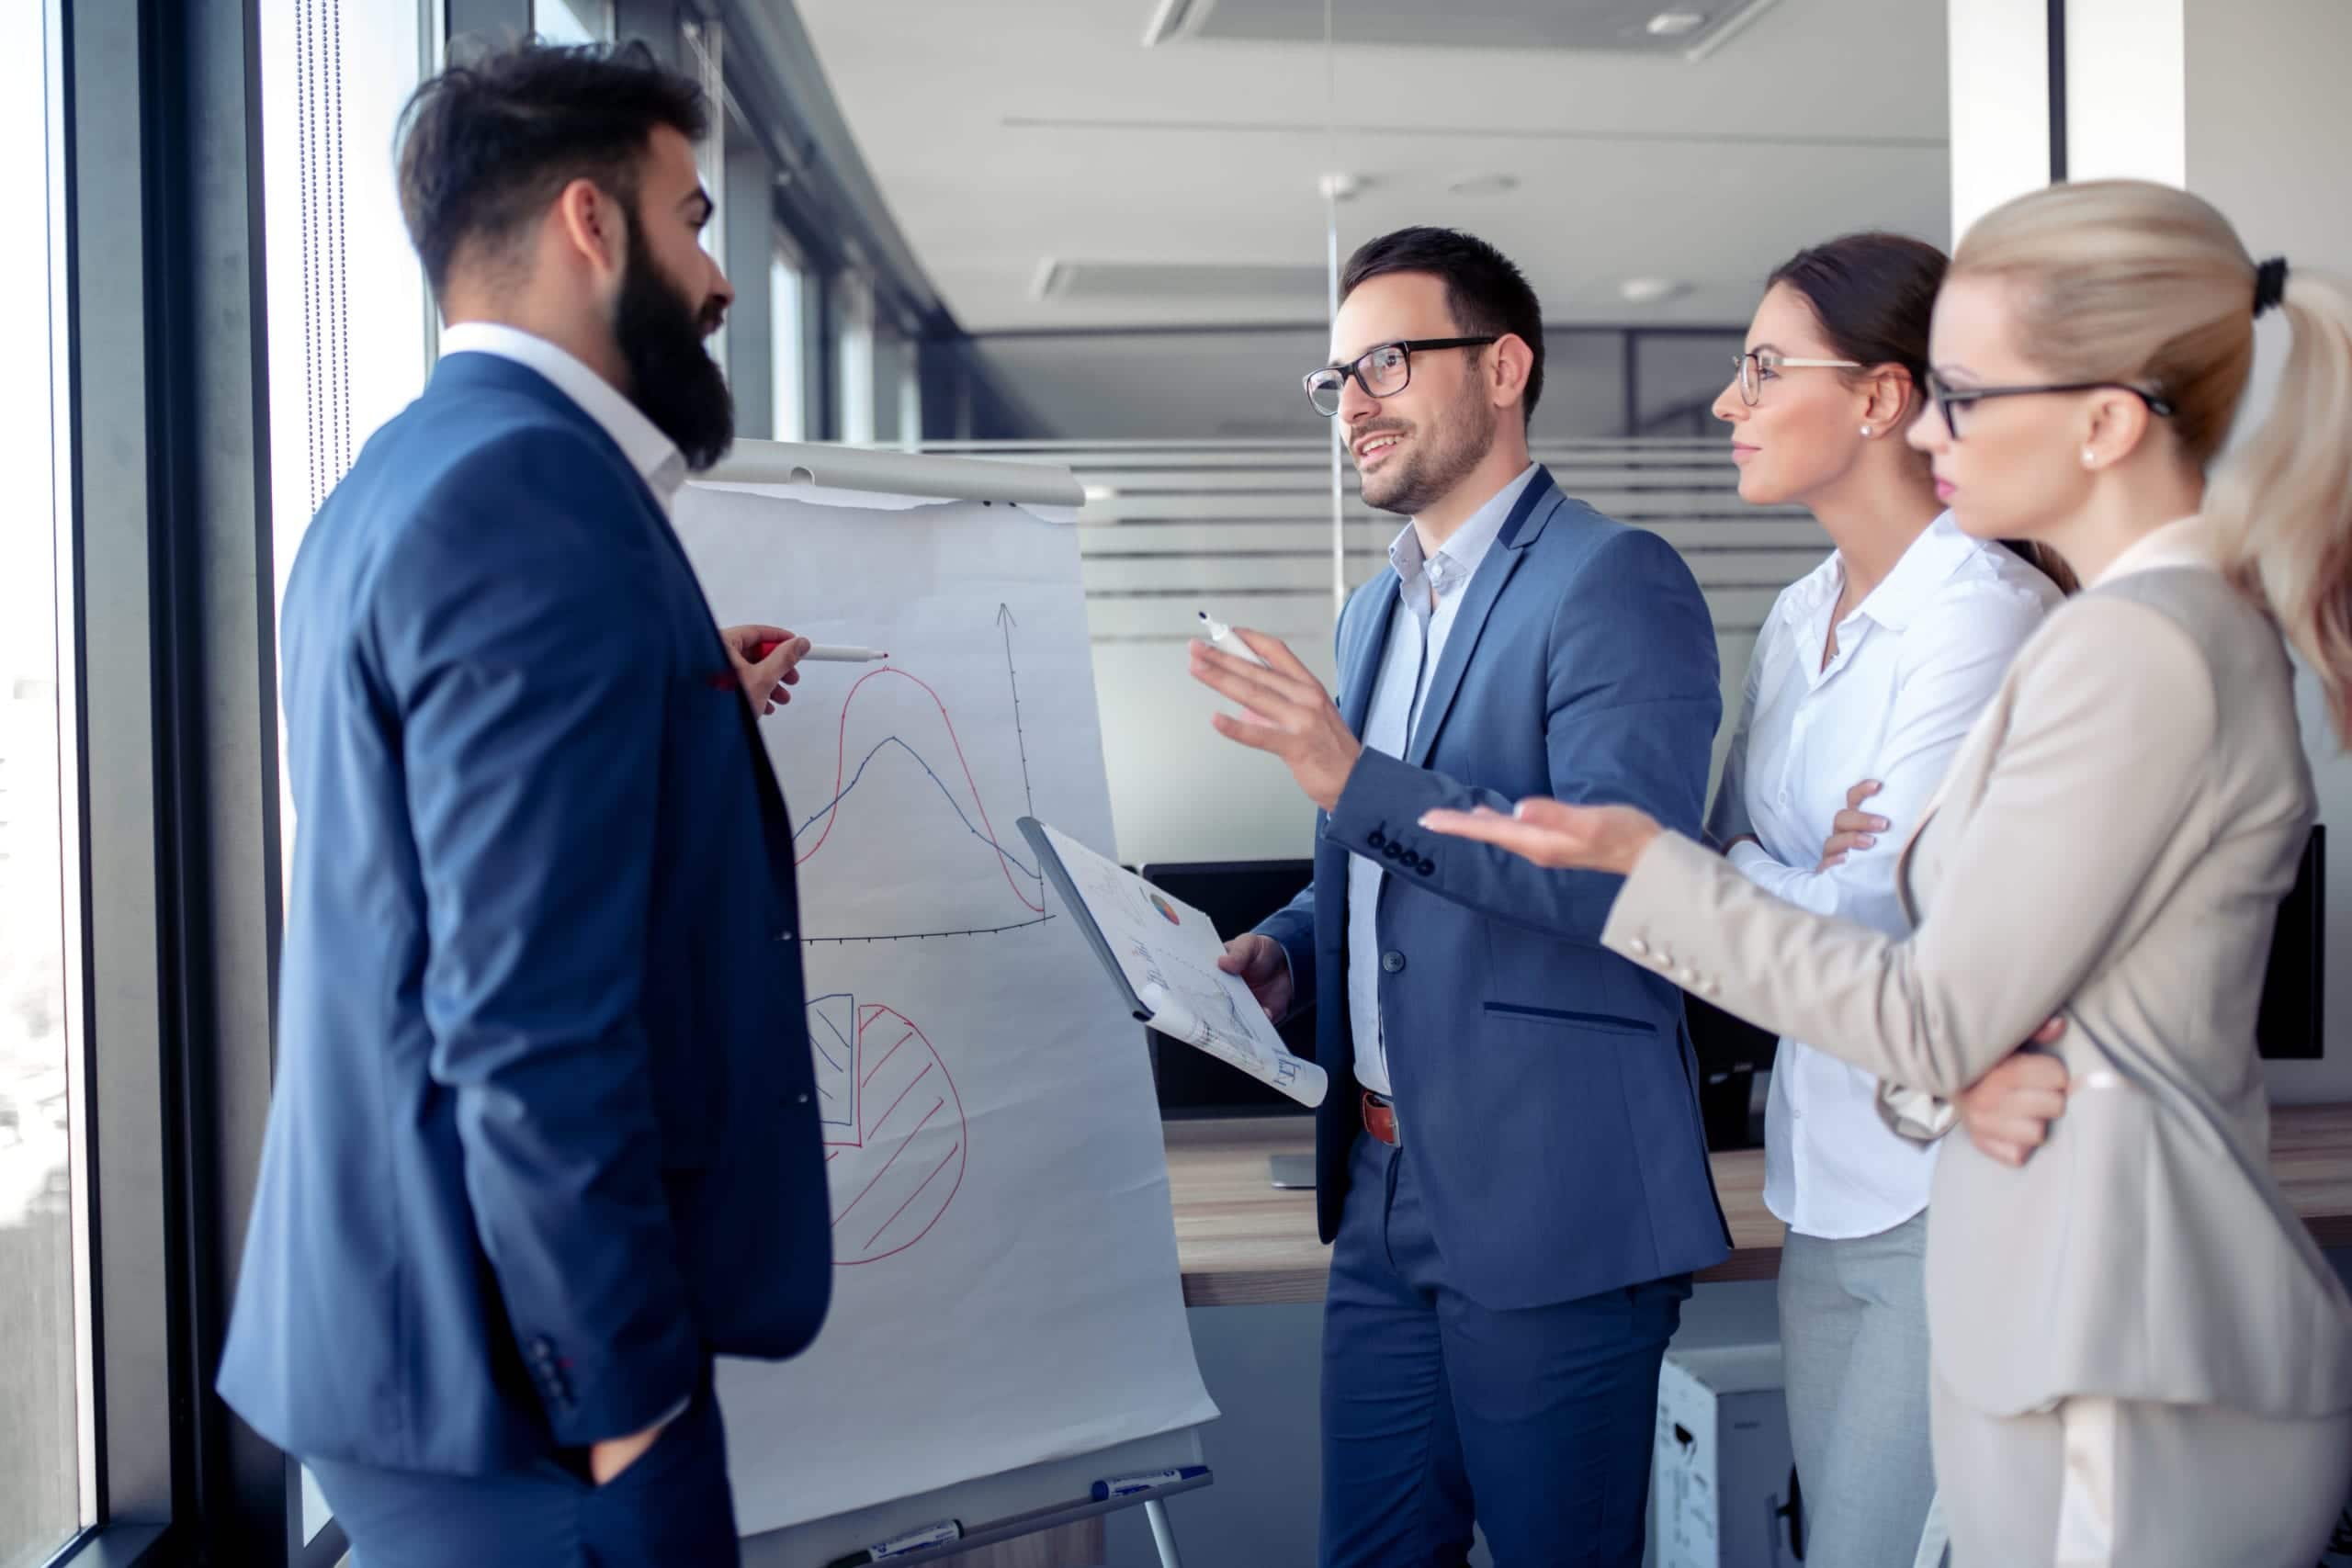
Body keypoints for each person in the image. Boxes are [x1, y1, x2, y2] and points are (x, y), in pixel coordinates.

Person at [1419, 179, 2352, 1567]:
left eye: (1963, 398)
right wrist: (1938, 1030)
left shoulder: (2128, 647)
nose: (1927, 428)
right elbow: (1951, 999)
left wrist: (1648, 867)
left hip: (2117, 1330)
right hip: (2067, 1298)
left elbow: (1929, 998)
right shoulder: (2143, 631)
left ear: (2102, 422)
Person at [217, 42, 832, 1566]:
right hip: (531, 1403)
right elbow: (524, 1018)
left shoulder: (401, 480)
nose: (718, 275)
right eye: (692, 217)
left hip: (427, 1358)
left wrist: (689, 700)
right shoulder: (535, 505)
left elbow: (436, 875)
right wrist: (631, 1410)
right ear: (590, 225)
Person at [1190, 227, 1727, 1568]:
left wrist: (1344, 772)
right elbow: (1393, 872)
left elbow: (1626, 875)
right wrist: (1296, 951)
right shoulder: (1379, 610)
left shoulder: (1614, 580)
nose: (1352, 401)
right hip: (1380, 1184)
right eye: (1335, 379)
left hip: (1553, 1192)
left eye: (1384, 360)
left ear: (1503, 366)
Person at [1705, 231, 2065, 1568]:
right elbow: (1742, 881)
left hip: (1948, 1192)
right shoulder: (1798, 619)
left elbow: (1867, 928)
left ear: (1880, 397)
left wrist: (1760, 878)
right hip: (1819, 1178)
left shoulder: (1983, 613)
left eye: (1761, 368)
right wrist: (1790, 874)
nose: (1730, 405)